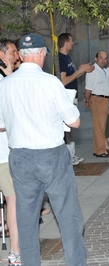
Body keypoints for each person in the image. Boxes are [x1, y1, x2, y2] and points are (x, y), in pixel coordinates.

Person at [0, 33, 86, 265]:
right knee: (68, 216)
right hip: (50, 156)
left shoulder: (4, 84)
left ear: (20, 55)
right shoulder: (50, 83)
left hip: (19, 157)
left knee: (27, 220)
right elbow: (75, 121)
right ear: (40, 54)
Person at [0, 38, 21, 266]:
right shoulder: (4, 82)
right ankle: (14, 253)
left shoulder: (8, 79)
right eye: (13, 52)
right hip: (3, 154)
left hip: (7, 151)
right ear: (2, 55)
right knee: (12, 201)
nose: (17, 56)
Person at [58, 33, 94, 165]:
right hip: (66, 97)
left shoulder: (67, 58)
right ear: (66, 43)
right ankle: (69, 156)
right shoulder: (60, 59)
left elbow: (71, 76)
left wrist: (82, 70)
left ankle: (71, 154)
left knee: (72, 129)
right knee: (69, 127)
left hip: (72, 96)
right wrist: (80, 71)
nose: (73, 43)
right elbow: (63, 81)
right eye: (71, 41)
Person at [84, 51, 109, 157]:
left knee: (100, 126)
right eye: (101, 58)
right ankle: (101, 150)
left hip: (103, 100)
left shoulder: (103, 70)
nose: (103, 60)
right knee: (99, 127)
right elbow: (88, 89)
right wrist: (87, 100)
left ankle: (98, 149)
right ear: (96, 59)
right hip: (98, 100)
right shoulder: (93, 70)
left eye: (105, 58)